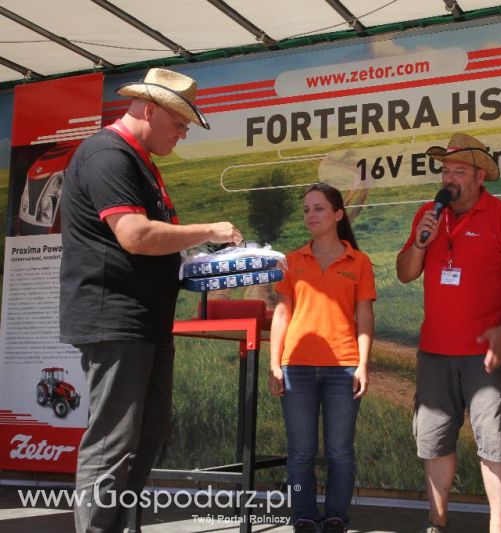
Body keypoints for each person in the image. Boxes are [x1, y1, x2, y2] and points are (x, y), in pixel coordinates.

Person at [59, 68, 243, 533]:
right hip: (115, 320)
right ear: (148, 109)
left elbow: (161, 246)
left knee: (146, 436)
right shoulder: (107, 154)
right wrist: (210, 230)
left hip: (144, 323)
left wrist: (211, 263)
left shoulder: (141, 163)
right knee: (114, 441)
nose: (183, 134)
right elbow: (135, 236)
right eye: (180, 123)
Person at [396, 133, 501, 533]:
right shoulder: (428, 213)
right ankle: (436, 521)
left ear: (479, 176)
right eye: (445, 171)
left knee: (494, 441)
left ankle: (498, 526)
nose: (449, 179)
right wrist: (423, 242)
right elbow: (405, 273)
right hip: (435, 352)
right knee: (434, 439)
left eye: (458, 171)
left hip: (486, 354)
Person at [269, 183, 376, 533]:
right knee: (299, 453)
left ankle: (335, 517)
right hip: (296, 366)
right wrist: (274, 363)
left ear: (338, 215)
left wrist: (362, 363)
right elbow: (282, 315)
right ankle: (302, 514)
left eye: (318, 208)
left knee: (340, 452)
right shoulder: (291, 261)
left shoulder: (359, 262)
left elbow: (364, 318)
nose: (310, 215)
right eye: (306, 210)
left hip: (343, 367)